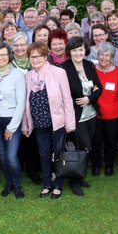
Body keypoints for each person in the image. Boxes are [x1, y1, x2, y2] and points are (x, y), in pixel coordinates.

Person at [22, 42, 76, 199]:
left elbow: (67, 99)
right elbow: (26, 102)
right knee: (44, 154)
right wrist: (26, 125)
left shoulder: (58, 73)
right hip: (39, 124)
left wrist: (70, 123)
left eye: (38, 56)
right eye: (32, 57)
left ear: (45, 57)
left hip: (57, 123)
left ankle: (58, 185)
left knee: (58, 154)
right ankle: (47, 184)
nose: (35, 59)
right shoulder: (28, 76)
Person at [62, 37, 103, 196]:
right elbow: (63, 93)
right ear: (69, 52)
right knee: (83, 148)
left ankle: (79, 177)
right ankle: (74, 181)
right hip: (75, 114)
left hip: (91, 113)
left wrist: (89, 99)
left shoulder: (89, 65)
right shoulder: (64, 68)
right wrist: (78, 101)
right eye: (74, 50)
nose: (78, 53)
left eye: (81, 49)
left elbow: (99, 88)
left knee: (86, 147)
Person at [0, 43, 27, 199]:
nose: (1, 58)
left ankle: (17, 185)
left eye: (4, 54)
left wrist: (12, 127)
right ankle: (8, 183)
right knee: (2, 156)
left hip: (12, 120)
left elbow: (21, 103)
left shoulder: (18, 75)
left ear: (9, 56)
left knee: (11, 157)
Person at [91, 43, 118, 176]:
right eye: (101, 54)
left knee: (111, 142)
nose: (104, 58)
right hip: (95, 114)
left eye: (107, 55)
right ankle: (96, 165)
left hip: (113, 114)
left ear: (112, 57)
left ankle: (109, 165)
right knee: (96, 142)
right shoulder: (92, 71)